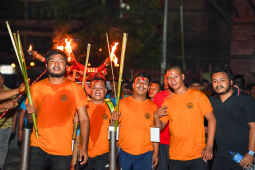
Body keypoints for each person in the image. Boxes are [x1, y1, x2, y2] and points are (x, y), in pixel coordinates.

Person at [26, 49, 90, 170]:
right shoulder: (36, 87)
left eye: (60, 61)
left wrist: (84, 147)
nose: (56, 64)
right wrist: (30, 114)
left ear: (66, 66)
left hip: (63, 149)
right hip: (38, 145)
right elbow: (30, 120)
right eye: (53, 61)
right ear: (46, 65)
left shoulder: (76, 88)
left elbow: (84, 119)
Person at [154, 66, 216, 170]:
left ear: (182, 77)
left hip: (198, 155)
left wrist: (209, 146)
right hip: (176, 156)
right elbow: (159, 127)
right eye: (169, 77)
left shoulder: (198, 95)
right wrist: (156, 116)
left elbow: (212, 120)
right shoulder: (167, 101)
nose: (172, 80)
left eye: (175, 76)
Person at [210, 65, 255, 170]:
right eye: (215, 81)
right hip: (220, 156)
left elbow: (253, 126)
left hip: (242, 157)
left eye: (222, 80)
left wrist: (251, 153)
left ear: (231, 82)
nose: (218, 84)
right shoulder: (211, 101)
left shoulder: (245, 99)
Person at [112, 72, 159, 170]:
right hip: (124, 152)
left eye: (145, 83)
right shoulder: (121, 104)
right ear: (133, 85)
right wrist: (114, 150)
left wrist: (156, 153)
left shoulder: (154, 107)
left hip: (146, 154)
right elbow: (115, 129)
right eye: (139, 82)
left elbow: (155, 132)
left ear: (149, 87)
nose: (142, 85)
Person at [78, 77, 112, 170]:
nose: (97, 91)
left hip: (104, 154)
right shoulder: (82, 107)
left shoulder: (112, 107)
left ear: (105, 90)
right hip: (84, 152)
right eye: (94, 88)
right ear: (89, 90)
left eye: (101, 88)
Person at [152, 73, 172, 170]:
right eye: (165, 79)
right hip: (162, 140)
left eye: (169, 78)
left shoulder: (180, 96)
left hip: (178, 142)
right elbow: (151, 118)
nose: (166, 81)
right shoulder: (158, 96)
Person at [0, 73, 19, 170]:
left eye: (1, 79)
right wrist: (4, 106)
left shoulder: (9, 91)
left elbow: (15, 111)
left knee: (2, 148)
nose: (0, 81)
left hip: (5, 126)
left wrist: (13, 125)